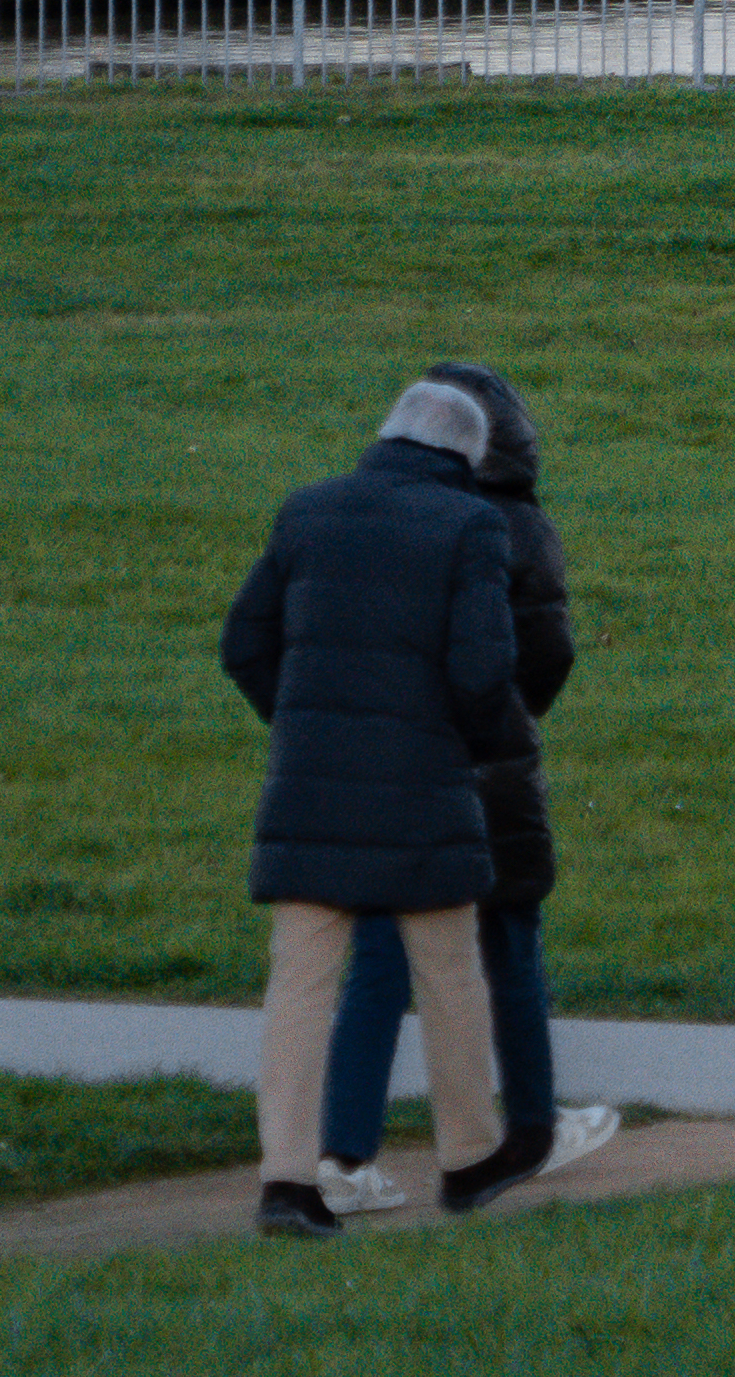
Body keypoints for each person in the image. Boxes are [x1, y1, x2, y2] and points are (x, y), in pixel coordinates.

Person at [219, 372, 523, 1234]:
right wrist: (482, 742)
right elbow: (480, 672)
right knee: (450, 969)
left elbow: (243, 642)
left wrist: (309, 723)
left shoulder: (309, 510)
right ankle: (467, 1159)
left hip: (310, 784)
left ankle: (287, 1181)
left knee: (302, 984)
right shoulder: (471, 524)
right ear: (465, 453)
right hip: (422, 786)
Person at [318, 357, 615, 1207]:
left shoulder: (385, 516)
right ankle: (529, 1128)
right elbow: (548, 655)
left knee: (380, 954)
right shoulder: (519, 527)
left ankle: (342, 1157)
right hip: (490, 764)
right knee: (511, 944)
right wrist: (511, 718)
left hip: (391, 760)